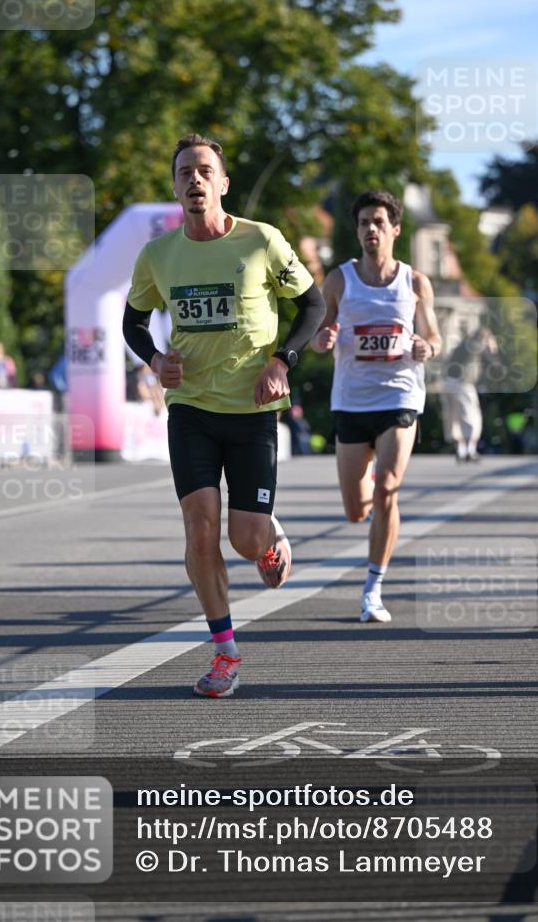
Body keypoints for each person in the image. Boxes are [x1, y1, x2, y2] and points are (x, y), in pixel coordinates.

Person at [122, 133, 325, 697]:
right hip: (191, 407)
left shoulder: (261, 241)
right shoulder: (158, 255)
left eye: (205, 170)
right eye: (184, 171)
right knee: (199, 528)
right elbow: (134, 323)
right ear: (175, 185)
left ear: (223, 183)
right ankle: (225, 653)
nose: (195, 180)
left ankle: (266, 535)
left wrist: (283, 360)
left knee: (243, 539)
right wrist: (156, 358)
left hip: (253, 408)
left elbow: (312, 304)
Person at [311, 189, 442, 623]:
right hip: (351, 401)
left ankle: (373, 588)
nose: (371, 229)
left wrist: (427, 346)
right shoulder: (339, 280)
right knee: (355, 510)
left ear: (395, 230)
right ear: (357, 230)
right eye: (364, 222)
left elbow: (435, 337)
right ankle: (367, 476)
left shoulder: (415, 283)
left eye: (379, 222)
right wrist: (323, 339)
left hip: (400, 395)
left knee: (388, 487)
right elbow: (316, 335)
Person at [439, 324, 498, 462]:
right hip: (462, 384)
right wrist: (493, 349)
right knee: (471, 417)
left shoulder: (463, 344)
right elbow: (493, 363)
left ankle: (461, 450)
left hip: (447, 383)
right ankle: (470, 451)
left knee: (453, 417)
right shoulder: (478, 345)